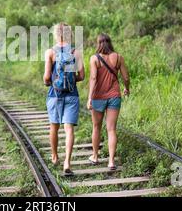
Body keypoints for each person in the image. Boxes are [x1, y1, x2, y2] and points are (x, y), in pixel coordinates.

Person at [43, 23, 85, 176]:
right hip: (72, 95)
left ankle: (54, 157)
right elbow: (81, 76)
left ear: (55, 34)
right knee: (69, 129)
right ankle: (67, 162)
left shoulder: (50, 52)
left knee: (54, 126)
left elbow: (46, 77)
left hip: (55, 94)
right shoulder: (76, 52)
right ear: (69, 34)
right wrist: (71, 81)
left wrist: (51, 82)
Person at [87, 34, 130, 170]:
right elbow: (126, 77)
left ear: (98, 43)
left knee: (96, 127)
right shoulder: (118, 57)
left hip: (98, 97)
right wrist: (126, 88)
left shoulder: (94, 58)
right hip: (114, 96)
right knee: (111, 129)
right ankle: (111, 161)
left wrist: (89, 98)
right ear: (110, 43)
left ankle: (95, 156)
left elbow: (93, 79)